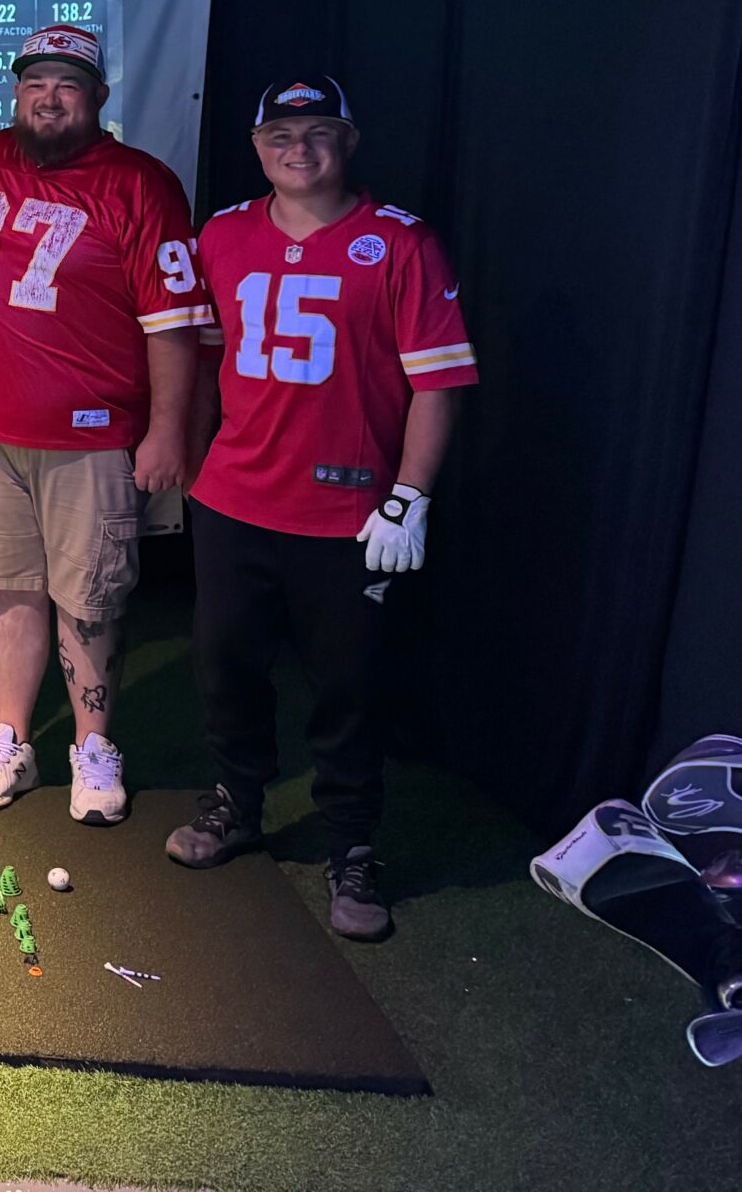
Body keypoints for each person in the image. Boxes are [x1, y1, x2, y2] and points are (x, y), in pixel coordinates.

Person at [168, 76, 476, 940]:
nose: (297, 149)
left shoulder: (401, 241)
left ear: (349, 141)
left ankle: (351, 844)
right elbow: (204, 358)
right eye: (280, 135)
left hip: (348, 515)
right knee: (225, 664)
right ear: (256, 146)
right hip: (236, 500)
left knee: (350, 687)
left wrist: (410, 495)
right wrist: (194, 459)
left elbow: (439, 383)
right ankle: (237, 802)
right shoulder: (223, 233)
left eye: (317, 133)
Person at [0, 24, 209, 825]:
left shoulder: (141, 184)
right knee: (13, 585)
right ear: (15, 92)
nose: (49, 98)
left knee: (89, 597)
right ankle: (11, 736)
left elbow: (173, 323)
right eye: (35, 83)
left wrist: (166, 430)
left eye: (67, 84)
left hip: (89, 435)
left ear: (97, 96)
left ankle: (93, 745)